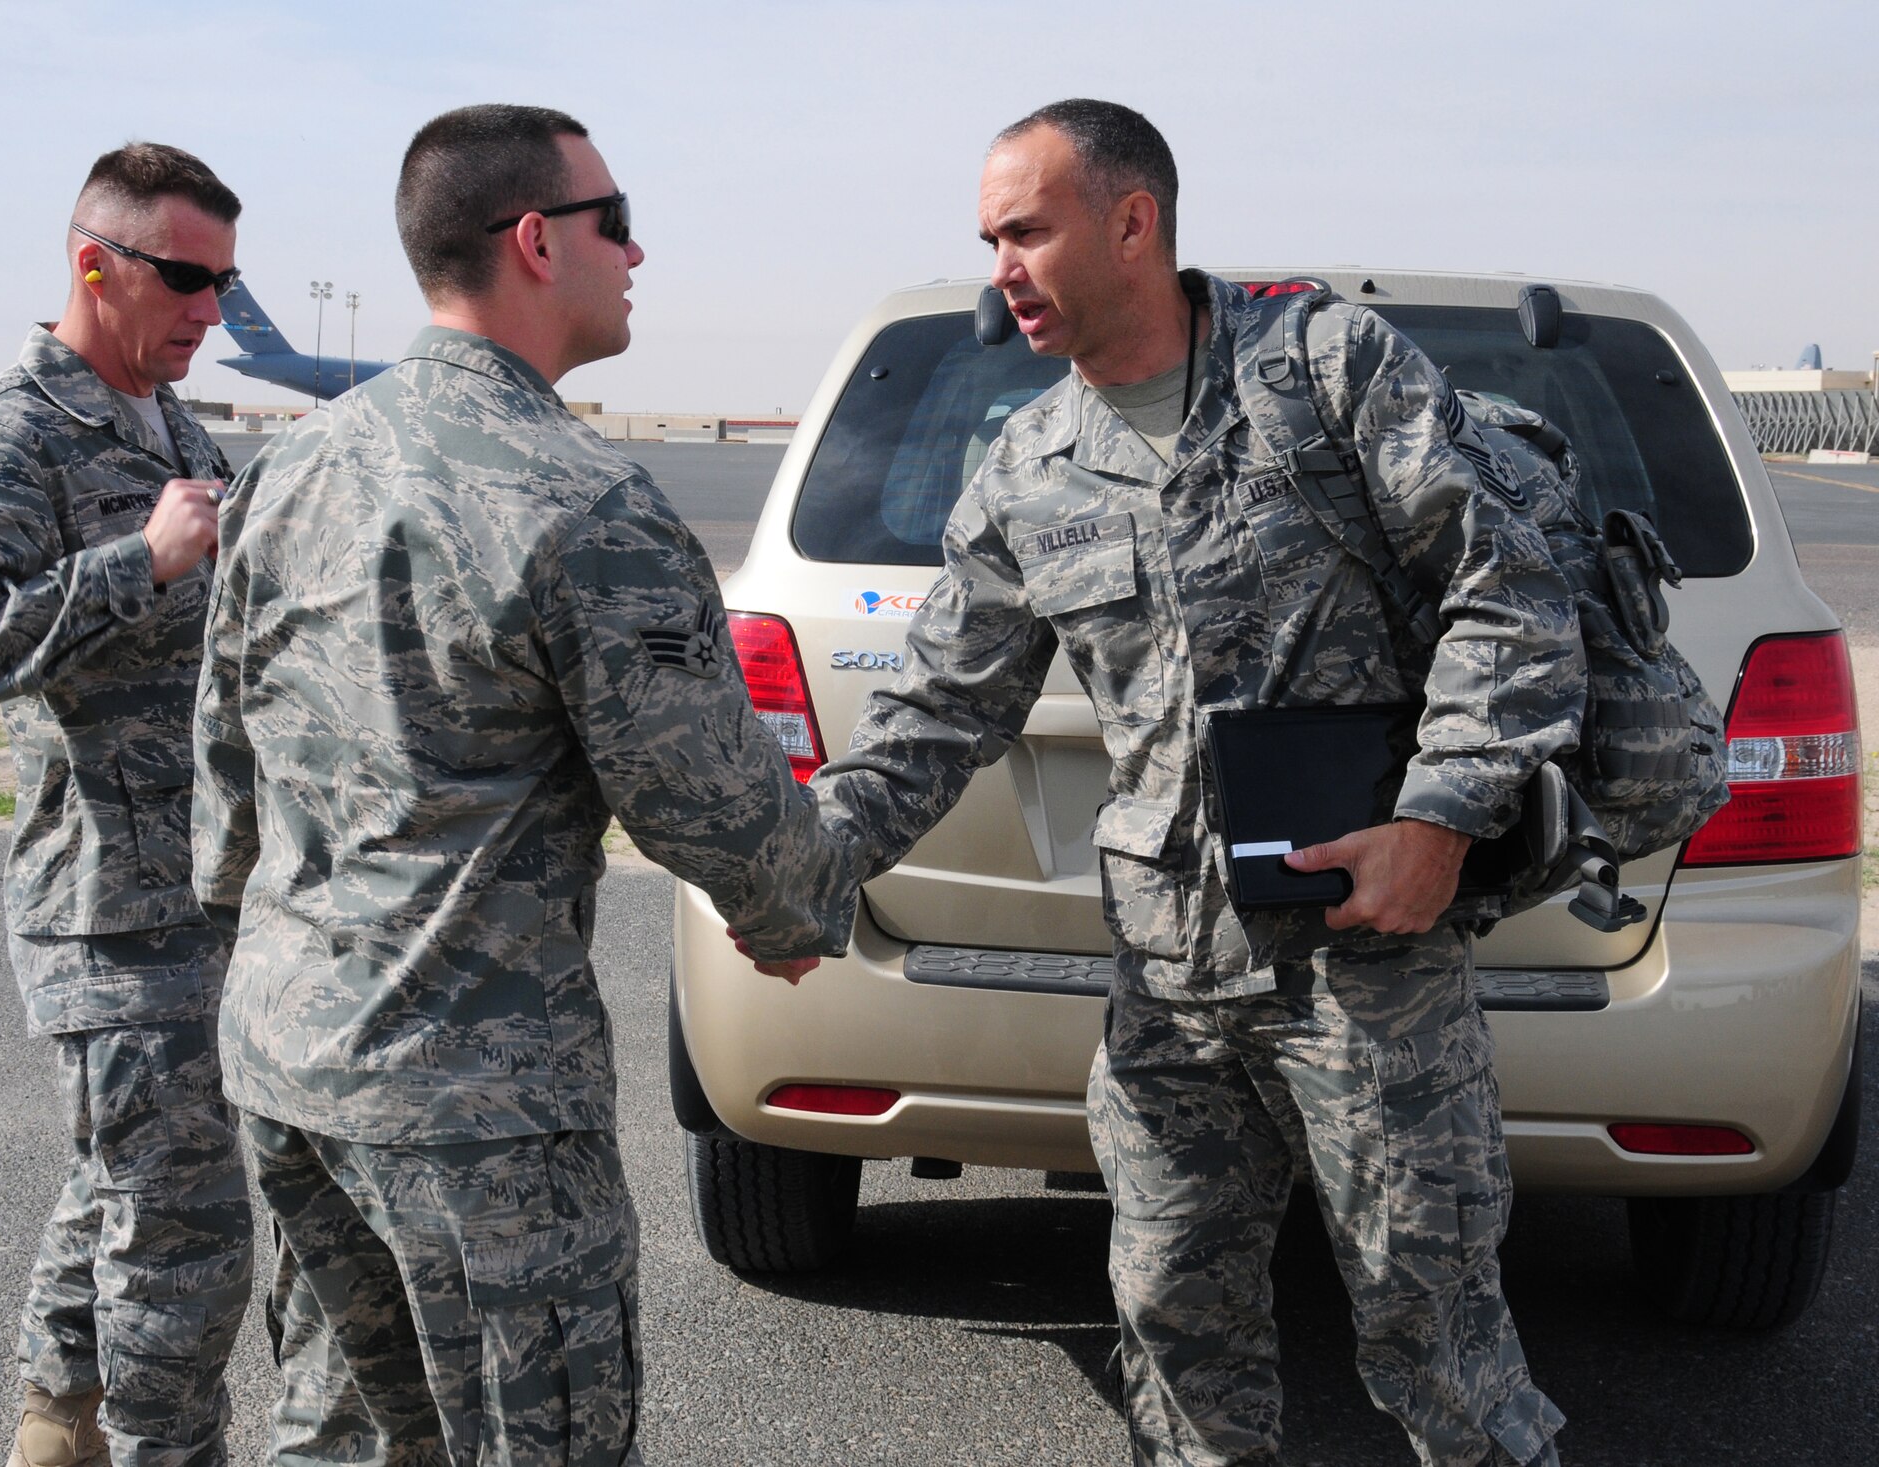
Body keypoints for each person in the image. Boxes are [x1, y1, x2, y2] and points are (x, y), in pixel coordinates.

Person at [785, 100, 1582, 1466]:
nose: (1003, 270)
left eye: (1027, 231)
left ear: (1132, 220)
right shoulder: (1025, 472)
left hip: (1368, 968)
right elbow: (933, 715)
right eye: (989, 240)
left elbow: (1506, 587)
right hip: (1169, 990)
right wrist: (793, 875)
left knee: (1433, 1342)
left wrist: (1441, 819)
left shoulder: (1327, 374)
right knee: (1171, 1325)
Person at [191, 103, 850, 1465]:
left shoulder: (288, 468)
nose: (639, 251)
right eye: (618, 222)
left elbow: (226, 760)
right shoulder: (581, 501)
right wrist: (799, 915)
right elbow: (715, 811)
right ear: (537, 242)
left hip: (288, 1058)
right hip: (470, 1110)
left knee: (341, 1437)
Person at [0, 144, 252, 1467]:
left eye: (225, 280)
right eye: (187, 278)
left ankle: (56, 1427)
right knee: (183, 1223)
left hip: (203, 896)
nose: (210, 309)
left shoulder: (177, 424)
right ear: (95, 262)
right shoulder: (7, 432)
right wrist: (136, 565)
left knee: (120, 1190)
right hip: (109, 907)